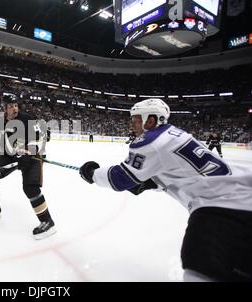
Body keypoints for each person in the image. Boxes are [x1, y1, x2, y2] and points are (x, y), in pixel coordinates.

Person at [79, 98, 252, 281]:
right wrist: (155, 183)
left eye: (136, 119)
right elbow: (181, 170)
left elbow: (119, 178)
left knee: (199, 272)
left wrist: (92, 173)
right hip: (243, 194)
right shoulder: (174, 133)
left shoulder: (150, 140)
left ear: (150, 120)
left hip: (220, 207)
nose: (132, 123)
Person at [0, 95, 55, 239]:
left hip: (30, 156)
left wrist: (28, 152)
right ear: (4, 108)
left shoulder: (26, 119)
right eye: (10, 106)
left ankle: (47, 221)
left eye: (15, 105)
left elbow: (39, 139)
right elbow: (3, 141)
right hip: (10, 155)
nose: (14, 108)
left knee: (30, 188)